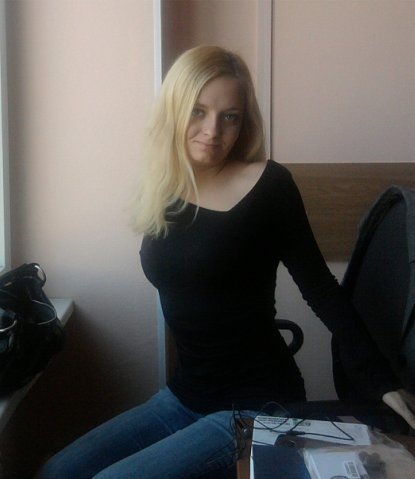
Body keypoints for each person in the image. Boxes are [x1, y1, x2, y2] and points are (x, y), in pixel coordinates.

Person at [40, 45, 415, 479]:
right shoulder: (167, 187)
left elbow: (321, 290)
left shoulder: (270, 185)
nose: (212, 130)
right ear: (175, 110)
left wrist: (383, 382)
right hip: (185, 397)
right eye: (198, 111)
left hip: (256, 403)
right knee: (58, 471)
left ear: (244, 122)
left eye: (230, 117)